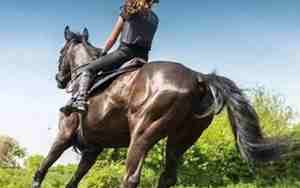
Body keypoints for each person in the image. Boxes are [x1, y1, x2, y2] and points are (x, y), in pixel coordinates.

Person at [60, 0, 159, 114]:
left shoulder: (130, 9)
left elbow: (113, 38)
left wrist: (103, 53)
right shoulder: (155, 19)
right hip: (143, 58)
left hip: (124, 54)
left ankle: (80, 100)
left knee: (88, 69)